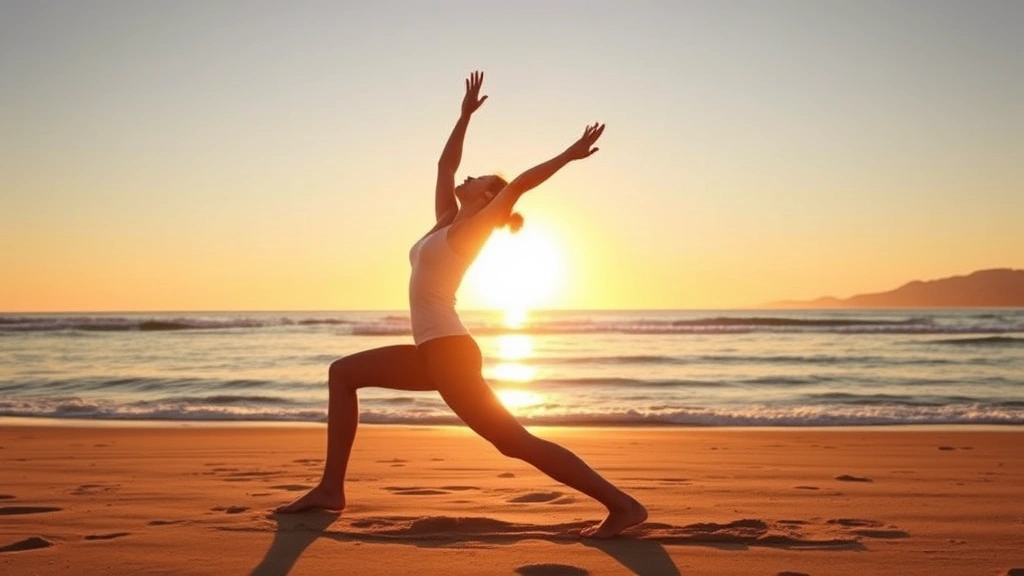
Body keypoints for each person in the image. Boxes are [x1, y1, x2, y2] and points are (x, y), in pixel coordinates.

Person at [276, 71, 647, 538]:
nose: (468, 176)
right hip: (433, 352)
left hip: (450, 352)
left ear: (488, 198)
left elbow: (520, 184)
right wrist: (464, 116)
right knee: (343, 373)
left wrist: (569, 155)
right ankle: (331, 489)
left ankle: (624, 505)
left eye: (480, 179)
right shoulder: (446, 223)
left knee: (513, 442)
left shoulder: (474, 231)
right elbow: (444, 168)